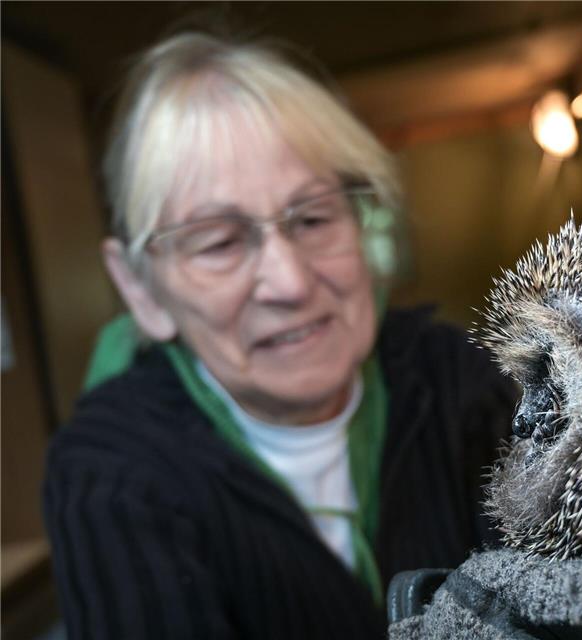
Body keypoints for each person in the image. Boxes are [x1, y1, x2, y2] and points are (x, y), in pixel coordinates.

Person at [43, 31, 515, 639]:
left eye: (313, 218)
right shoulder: (109, 478)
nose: (290, 283)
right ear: (141, 290)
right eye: (219, 242)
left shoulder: (460, 381)